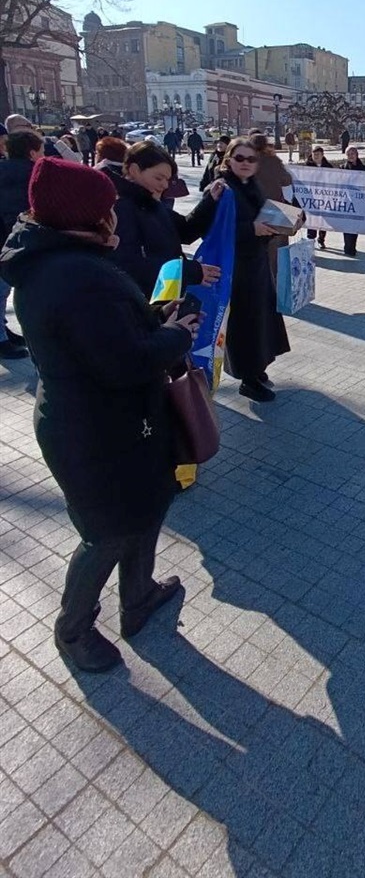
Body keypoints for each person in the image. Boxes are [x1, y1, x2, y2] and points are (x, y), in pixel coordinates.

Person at [0, 157, 200, 671]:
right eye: (106, 207)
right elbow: (124, 362)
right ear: (82, 215)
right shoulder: (74, 275)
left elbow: (107, 337)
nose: (114, 214)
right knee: (107, 532)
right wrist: (177, 336)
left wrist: (154, 320)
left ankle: (138, 598)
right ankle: (73, 631)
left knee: (146, 511)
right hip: (94, 433)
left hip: (117, 423)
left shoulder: (62, 260)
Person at [194, 137, 292, 402]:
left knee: (262, 318)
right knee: (245, 323)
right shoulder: (223, 189)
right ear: (228, 160)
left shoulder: (250, 185)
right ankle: (248, 379)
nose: (246, 163)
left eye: (251, 159)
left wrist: (288, 219)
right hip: (236, 268)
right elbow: (212, 231)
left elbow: (263, 216)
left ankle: (257, 369)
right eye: (239, 158)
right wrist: (252, 229)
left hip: (255, 263)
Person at [111, 141, 222, 300]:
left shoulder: (151, 204)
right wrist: (188, 271)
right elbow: (129, 265)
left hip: (164, 298)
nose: (164, 185)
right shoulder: (122, 209)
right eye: (158, 178)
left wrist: (210, 200)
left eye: (167, 180)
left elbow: (185, 231)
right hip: (142, 303)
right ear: (134, 170)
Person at [0, 129, 44, 360]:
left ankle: (4, 333)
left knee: (3, 291)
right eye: (41, 150)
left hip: (6, 237)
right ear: (31, 152)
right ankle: (2, 340)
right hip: (20, 237)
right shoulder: (35, 173)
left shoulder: (2, 169)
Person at [250, 132, 299, 276]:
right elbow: (287, 180)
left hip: (253, 215)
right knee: (275, 258)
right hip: (275, 214)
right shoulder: (274, 160)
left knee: (255, 259)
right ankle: (275, 291)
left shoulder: (247, 160)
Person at [341, 146, 365, 256]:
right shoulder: (342, 168)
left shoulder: (364, 169)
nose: (351, 156)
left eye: (353, 153)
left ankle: (352, 246)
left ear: (357, 154)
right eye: (348, 154)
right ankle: (348, 247)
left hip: (359, 202)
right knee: (347, 226)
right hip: (347, 202)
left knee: (355, 226)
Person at [303, 146, 332, 249]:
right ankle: (310, 238)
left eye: (318, 155)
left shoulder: (328, 167)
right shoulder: (307, 166)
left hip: (324, 198)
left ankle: (321, 239)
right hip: (311, 197)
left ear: (322, 155)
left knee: (323, 220)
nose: (315, 156)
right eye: (314, 154)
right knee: (312, 218)